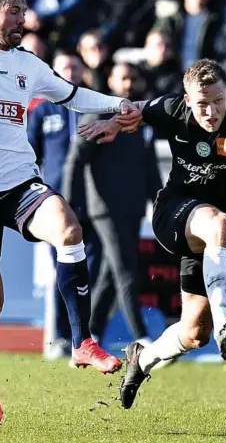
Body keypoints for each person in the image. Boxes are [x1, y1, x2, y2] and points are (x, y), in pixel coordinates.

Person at [0, 0, 142, 425]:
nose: (24, 18)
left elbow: (74, 96)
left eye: (24, 9)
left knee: (68, 227)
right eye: (14, 11)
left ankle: (81, 342)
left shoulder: (30, 65)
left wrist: (117, 104)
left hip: (20, 182)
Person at [78, 58, 226, 409]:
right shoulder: (171, 108)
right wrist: (116, 125)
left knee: (195, 333)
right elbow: (133, 108)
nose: (210, 111)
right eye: (201, 103)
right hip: (175, 212)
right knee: (220, 222)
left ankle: (142, 360)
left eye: (217, 101)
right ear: (187, 98)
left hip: (213, 240)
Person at [62, 61, 161, 346]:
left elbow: (150, 167)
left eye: (134, 78)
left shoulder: (140, 119)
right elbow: (74, 161)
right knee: (126, 271)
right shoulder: (97, 114)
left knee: (108, 275)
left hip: (132, 208)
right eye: (124, 78)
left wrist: (159, 202)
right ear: (111, 81)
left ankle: (86, 339)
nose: (129, 85)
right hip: (105, 208)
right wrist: (70, 205)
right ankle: (142, 338)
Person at [27, 50, 103, 360]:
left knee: (94, 268)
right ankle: (59, 336)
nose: (70, 72)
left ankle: (86, 332)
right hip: (57, 202)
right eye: (64, 68)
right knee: (64, 269)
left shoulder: (93, 105)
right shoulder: (43, 112)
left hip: (94, 199)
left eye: (75, 67)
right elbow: (30, 155)